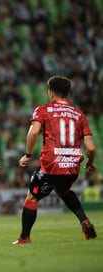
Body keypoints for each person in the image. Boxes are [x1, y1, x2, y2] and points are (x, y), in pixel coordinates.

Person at [13, 76, 97, 244]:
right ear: (69, 93)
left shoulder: (43, 110)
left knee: (32, 198)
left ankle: (24, 237)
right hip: (72, 167)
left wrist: (28, 154)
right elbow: (91, 148)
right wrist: (90, 161)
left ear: (51, 93)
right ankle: (84, 221)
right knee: (63, 190)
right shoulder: (79, 114)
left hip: (51, 165)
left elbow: (33, 132)